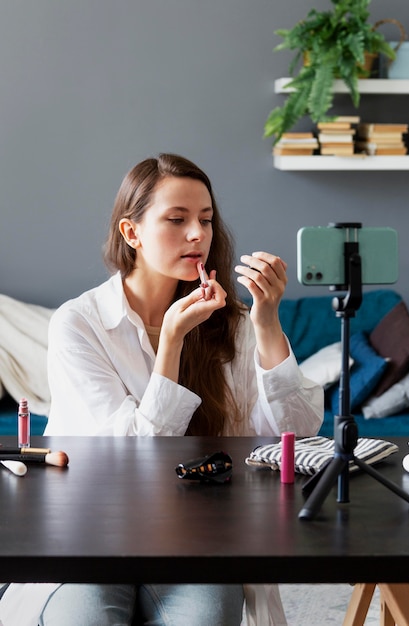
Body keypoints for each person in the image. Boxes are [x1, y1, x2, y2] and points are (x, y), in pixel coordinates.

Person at [0, 153, 323, 626]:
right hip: (93, 531)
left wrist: (267, 323)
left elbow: (292, 437)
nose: (199, 234)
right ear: (132, 233)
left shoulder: (230, 323)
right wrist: (171, 342)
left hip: (197, 534)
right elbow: (126, 458)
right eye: (177, 219)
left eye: (206, 220)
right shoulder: (81, 324)